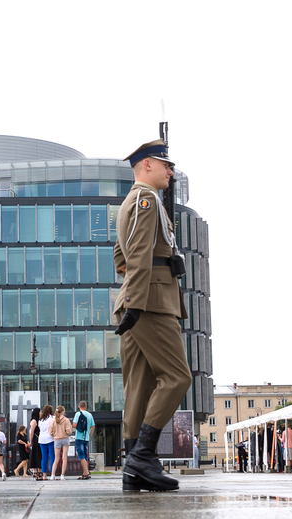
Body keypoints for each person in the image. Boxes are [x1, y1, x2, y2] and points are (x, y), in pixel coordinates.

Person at [113, 140, 192, 492]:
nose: (171, 172)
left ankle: (134, 466)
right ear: (147, 165)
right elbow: (141, 251)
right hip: (151, 301)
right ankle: (142, 456)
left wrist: (129, 296)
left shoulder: (129, 204)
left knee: (139, 387)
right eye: (166, 165)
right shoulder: (147, 201)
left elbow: (121, 257)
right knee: (177, 376)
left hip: (137, 299)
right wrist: (137, 300)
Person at [48, 405, 73, 480]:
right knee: (64, 458)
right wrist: (66, 432)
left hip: (57, 439)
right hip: (65, 438)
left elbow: (50, 431)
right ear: (63, 411)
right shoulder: (66, 420)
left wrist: (54, 434)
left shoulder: (53, 420)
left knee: (56, 458)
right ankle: (62, 475)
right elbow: (69, 430)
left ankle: (52, 475)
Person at [73, 400, 95, 479]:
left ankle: (86, 473)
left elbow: (74, 425)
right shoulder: (89, 415)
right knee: (85, 456)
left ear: (79, 406)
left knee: (81, 455)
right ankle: (85, 472)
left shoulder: (78, 414)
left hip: (79, 437)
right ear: (86, 406)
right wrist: (89, 435)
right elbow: (93, 426)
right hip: (86, 438)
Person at [37, 405, 55, 481]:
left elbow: (40, 428)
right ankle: (52, 474)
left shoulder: (40, 419)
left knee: (44, 457)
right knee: (52, 457)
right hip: (50, 438)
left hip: (41, 439)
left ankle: (44, 475)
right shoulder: (52, 418)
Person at [28, 407, 42, 480]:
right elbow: (31, 432)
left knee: (39, 454)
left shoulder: (39, 420)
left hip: (38, 439)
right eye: (40, 412)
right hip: (35, 439)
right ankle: (35, 471)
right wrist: (30, 441)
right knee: (36, 454)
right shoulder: (34, 421)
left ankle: (39, 471)